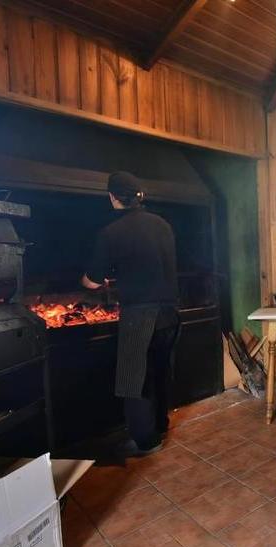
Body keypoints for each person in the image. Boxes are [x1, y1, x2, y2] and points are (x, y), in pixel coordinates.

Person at [82, 171, 180, 457]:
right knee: (160, 372)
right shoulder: (163, 225)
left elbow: (93, 280)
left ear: (113, 197)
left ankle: (145, 441)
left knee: (133, 380)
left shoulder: (111, 233)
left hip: (139, 315)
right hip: (171, 312)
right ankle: (160, 425)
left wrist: (83, 282)